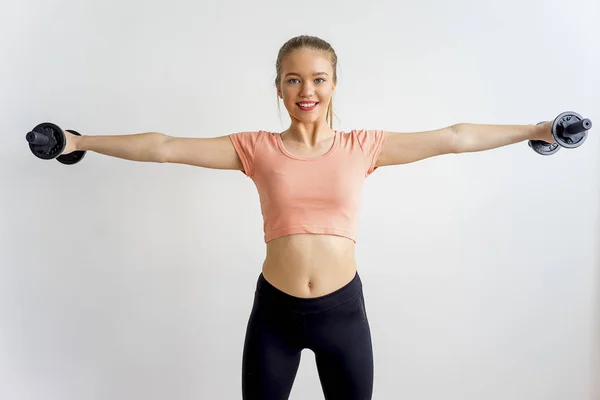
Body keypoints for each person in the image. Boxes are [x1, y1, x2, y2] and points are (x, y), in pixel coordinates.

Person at [57, 35, 556, 399]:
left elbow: (454, 137)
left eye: (318, 78)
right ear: (278, 88)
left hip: (343, 314)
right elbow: (164, 148)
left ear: (334, 84)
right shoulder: (257, 149)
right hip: (275, 315)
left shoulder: (364, 147)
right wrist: (76, 142)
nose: (306, 89)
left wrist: (539, 129)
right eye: (293, 79)